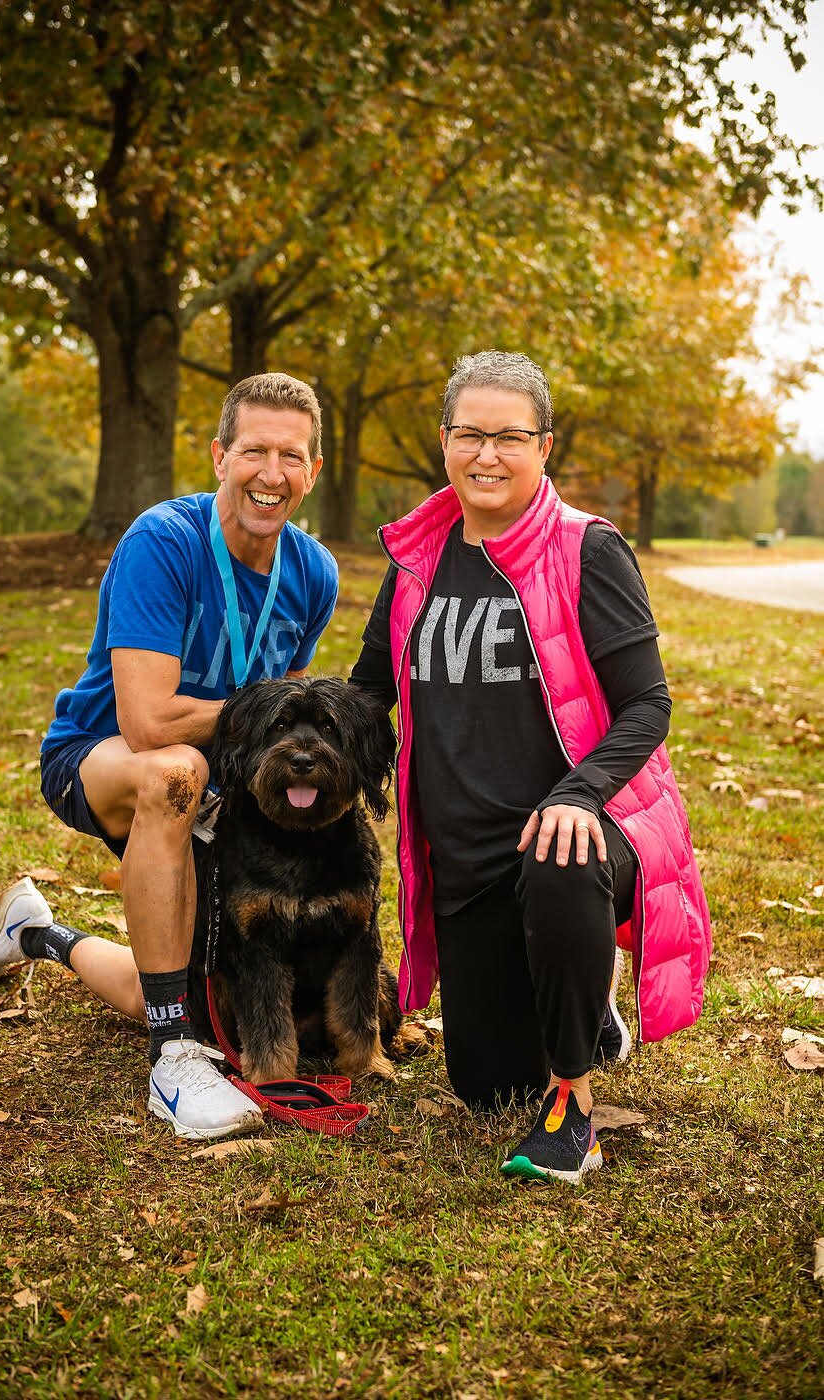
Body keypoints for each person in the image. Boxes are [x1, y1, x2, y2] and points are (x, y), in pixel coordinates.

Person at [348, 350, 711, 1184]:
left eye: (508, 437)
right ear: (443, 440)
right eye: (469, 434)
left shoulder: (588, 549)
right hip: (467, 858)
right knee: (485, 1086)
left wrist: (579, 795)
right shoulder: (416, 558)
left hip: (582, 830)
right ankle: (585, 1013)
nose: (486, 455)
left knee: (558, 855)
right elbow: (369, 691)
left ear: (543, 447)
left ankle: (573, 1107)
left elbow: (646, 705)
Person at [0, 373, 337, 1142]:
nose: (271, 474)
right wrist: (253, 714)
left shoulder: (314, 573)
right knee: (177, 768)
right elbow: (146, 723)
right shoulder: (163, 540)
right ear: (218, 456)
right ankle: (172, 1061)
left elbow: (292, 716)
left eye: (291, 456)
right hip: (102, 760)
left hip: (216, 788)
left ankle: (38, 933)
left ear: (313, 469)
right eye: (253, 451)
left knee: (173, 985)